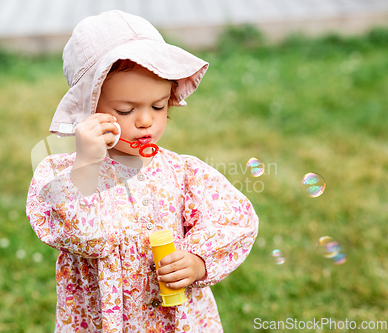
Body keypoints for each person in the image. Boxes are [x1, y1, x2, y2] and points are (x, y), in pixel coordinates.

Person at [26, 10, 259, 333]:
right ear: (88, 108)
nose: (145, 121)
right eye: (126, 109)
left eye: (158, 106)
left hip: (176, 321)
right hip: (104, 322)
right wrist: (86, 164)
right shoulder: (64, 174)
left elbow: (236, 220)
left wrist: (198, 260)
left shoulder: (183, 172)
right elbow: (85, 237)